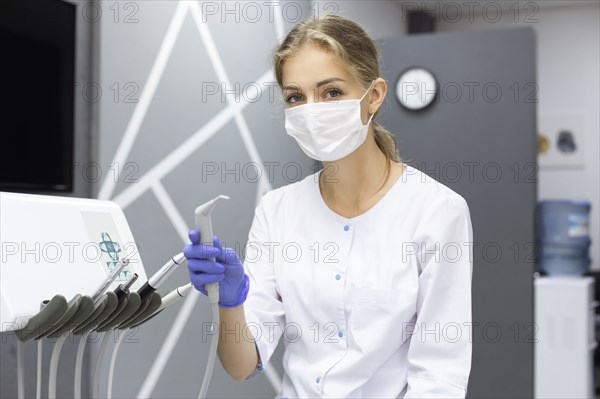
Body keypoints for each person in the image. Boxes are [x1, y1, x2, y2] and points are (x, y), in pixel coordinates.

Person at [184, 14, 473, 399]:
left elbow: (439, 375)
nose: (312, 110)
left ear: (374, 96)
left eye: (331, 92)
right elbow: (241, 366)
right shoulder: (277, 210)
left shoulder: (436, 211)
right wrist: (230, 304)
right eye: (295, 97)